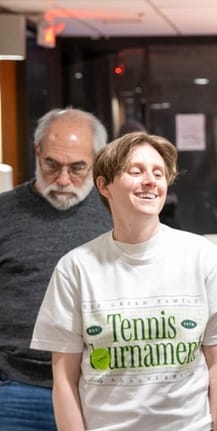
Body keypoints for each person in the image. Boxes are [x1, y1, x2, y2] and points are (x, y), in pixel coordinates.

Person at [30, 132, 217, 430]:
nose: (151, 180)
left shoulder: (204, 258)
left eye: (158, 173)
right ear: (104, 185)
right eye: (136, 171)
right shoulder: (75, 268)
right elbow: (64, 378)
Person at [0, 108, 112, 430]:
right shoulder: (5, 212)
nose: (63, 180)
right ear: (37, 152)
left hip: (100, 387)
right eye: (52, 165)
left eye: (77, 168)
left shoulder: (117, 213)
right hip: (17, 388)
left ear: (97, 158)